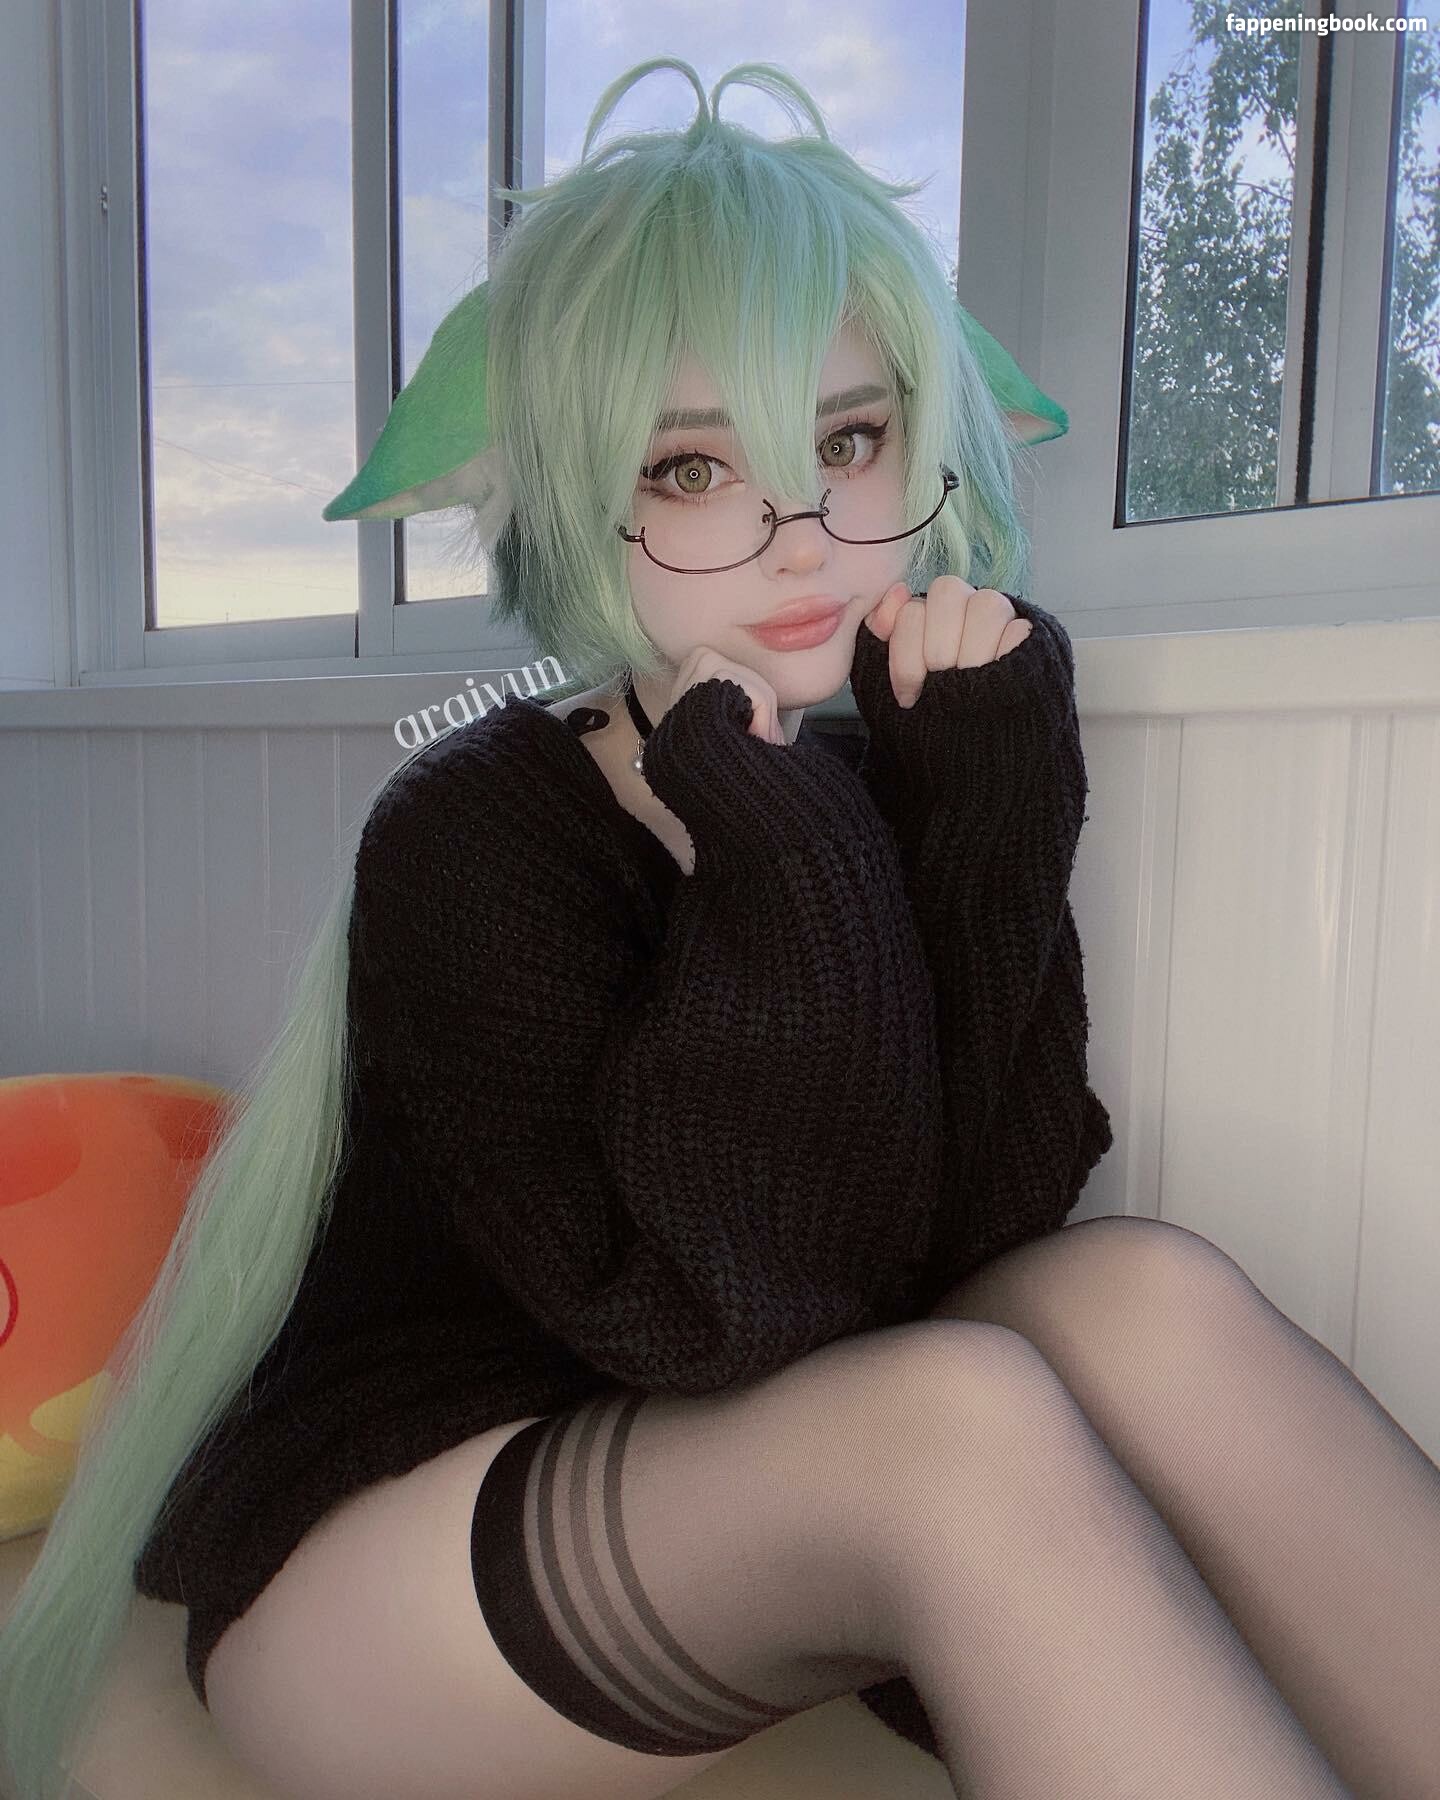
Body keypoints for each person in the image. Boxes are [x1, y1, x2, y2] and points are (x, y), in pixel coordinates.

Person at [4, 54, 1437, 1800]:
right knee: (957, 1426)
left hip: (728, 1489)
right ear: (577, 497)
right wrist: (784, 850)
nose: (801, 534)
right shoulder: (469, 835)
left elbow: (970, 1229)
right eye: (691, 466)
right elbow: (723, 1323)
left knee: (1141, 1292)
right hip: (396, 1567)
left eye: (848, 440)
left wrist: (985, 799)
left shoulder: (881, 760)